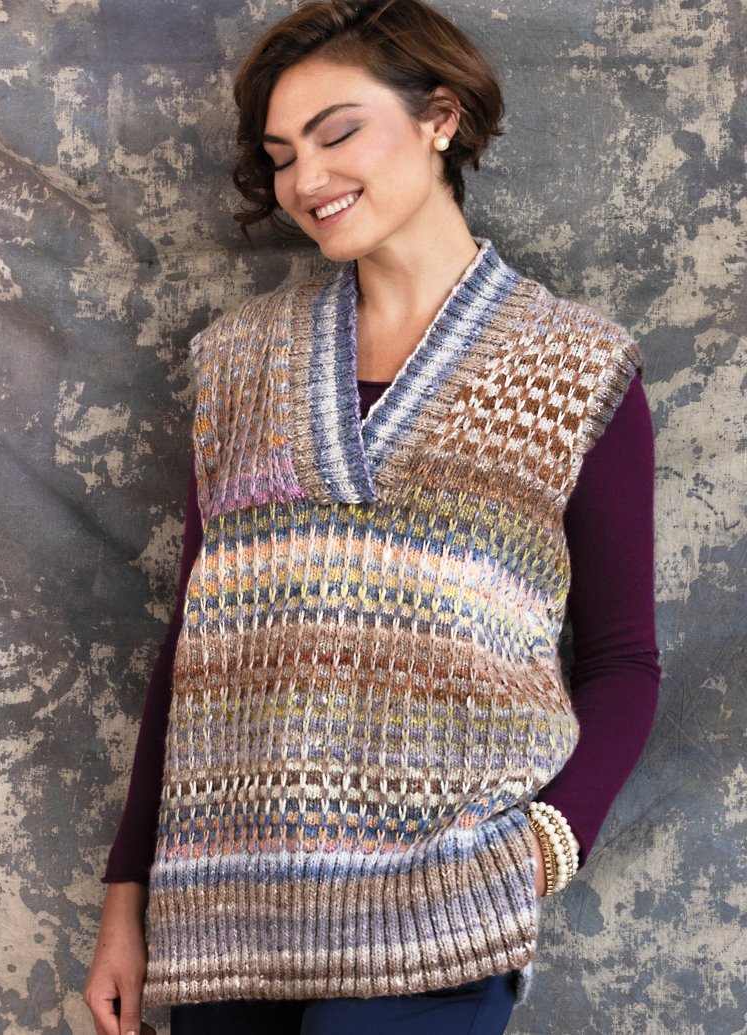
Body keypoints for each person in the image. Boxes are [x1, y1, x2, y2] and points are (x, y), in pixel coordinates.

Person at [84, 1, 661, 1033]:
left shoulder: (576, 369)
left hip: (439, 914)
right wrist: (126, 901)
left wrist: (545, 846)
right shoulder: (237, 363)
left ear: (440, 116)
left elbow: (622, 659)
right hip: (227, 919)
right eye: (280, 156)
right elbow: (193, 648)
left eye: (336, 133)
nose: (304, 180)